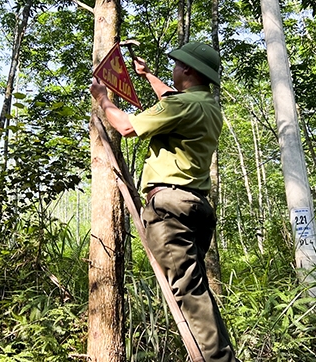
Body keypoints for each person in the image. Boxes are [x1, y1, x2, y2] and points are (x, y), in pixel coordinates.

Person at [89, 41, 238, 362]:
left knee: (188, 290)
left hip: (170, 207)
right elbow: (171, 100)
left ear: (187, 70)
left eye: (176, 65)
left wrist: (103, 99)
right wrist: (147, 76)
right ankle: (220, 354)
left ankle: (219, 360)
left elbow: (126, 126)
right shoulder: (208, 106)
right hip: (197, 207)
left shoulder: (181, 106)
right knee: (197, 290)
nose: (173, 69)